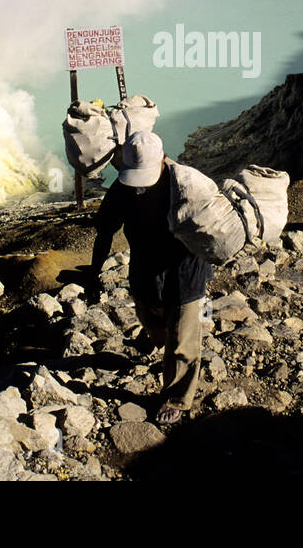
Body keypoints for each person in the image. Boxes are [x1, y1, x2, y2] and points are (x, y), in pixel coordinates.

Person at [83, 130, 212, 425]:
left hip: (185, 268)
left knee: (182, 339)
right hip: (145, 265)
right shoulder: (122, 189)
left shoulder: (185, 184)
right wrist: (93, 273)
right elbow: (105, 231)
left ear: (163, 162)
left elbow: (210, 226)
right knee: (148, 313)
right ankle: (158, 337)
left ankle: (177, 397)